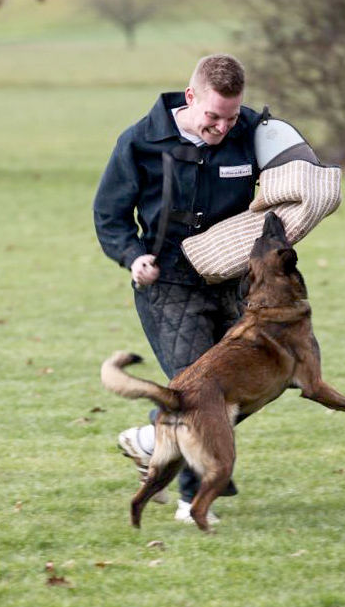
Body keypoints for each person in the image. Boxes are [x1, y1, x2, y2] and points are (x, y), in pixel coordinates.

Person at [93, 54, 263, 523]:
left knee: (260, 379)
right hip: (166, 281)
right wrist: (133, 256)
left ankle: (152, 439)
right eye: (213, 116)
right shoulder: (140, 142)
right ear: (191, 98)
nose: (222, 128)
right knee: (199, 388)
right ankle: (193, 502)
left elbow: (294, 170)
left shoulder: (255, 131)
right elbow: (108, 214)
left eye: (231, 117)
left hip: (233, 278)